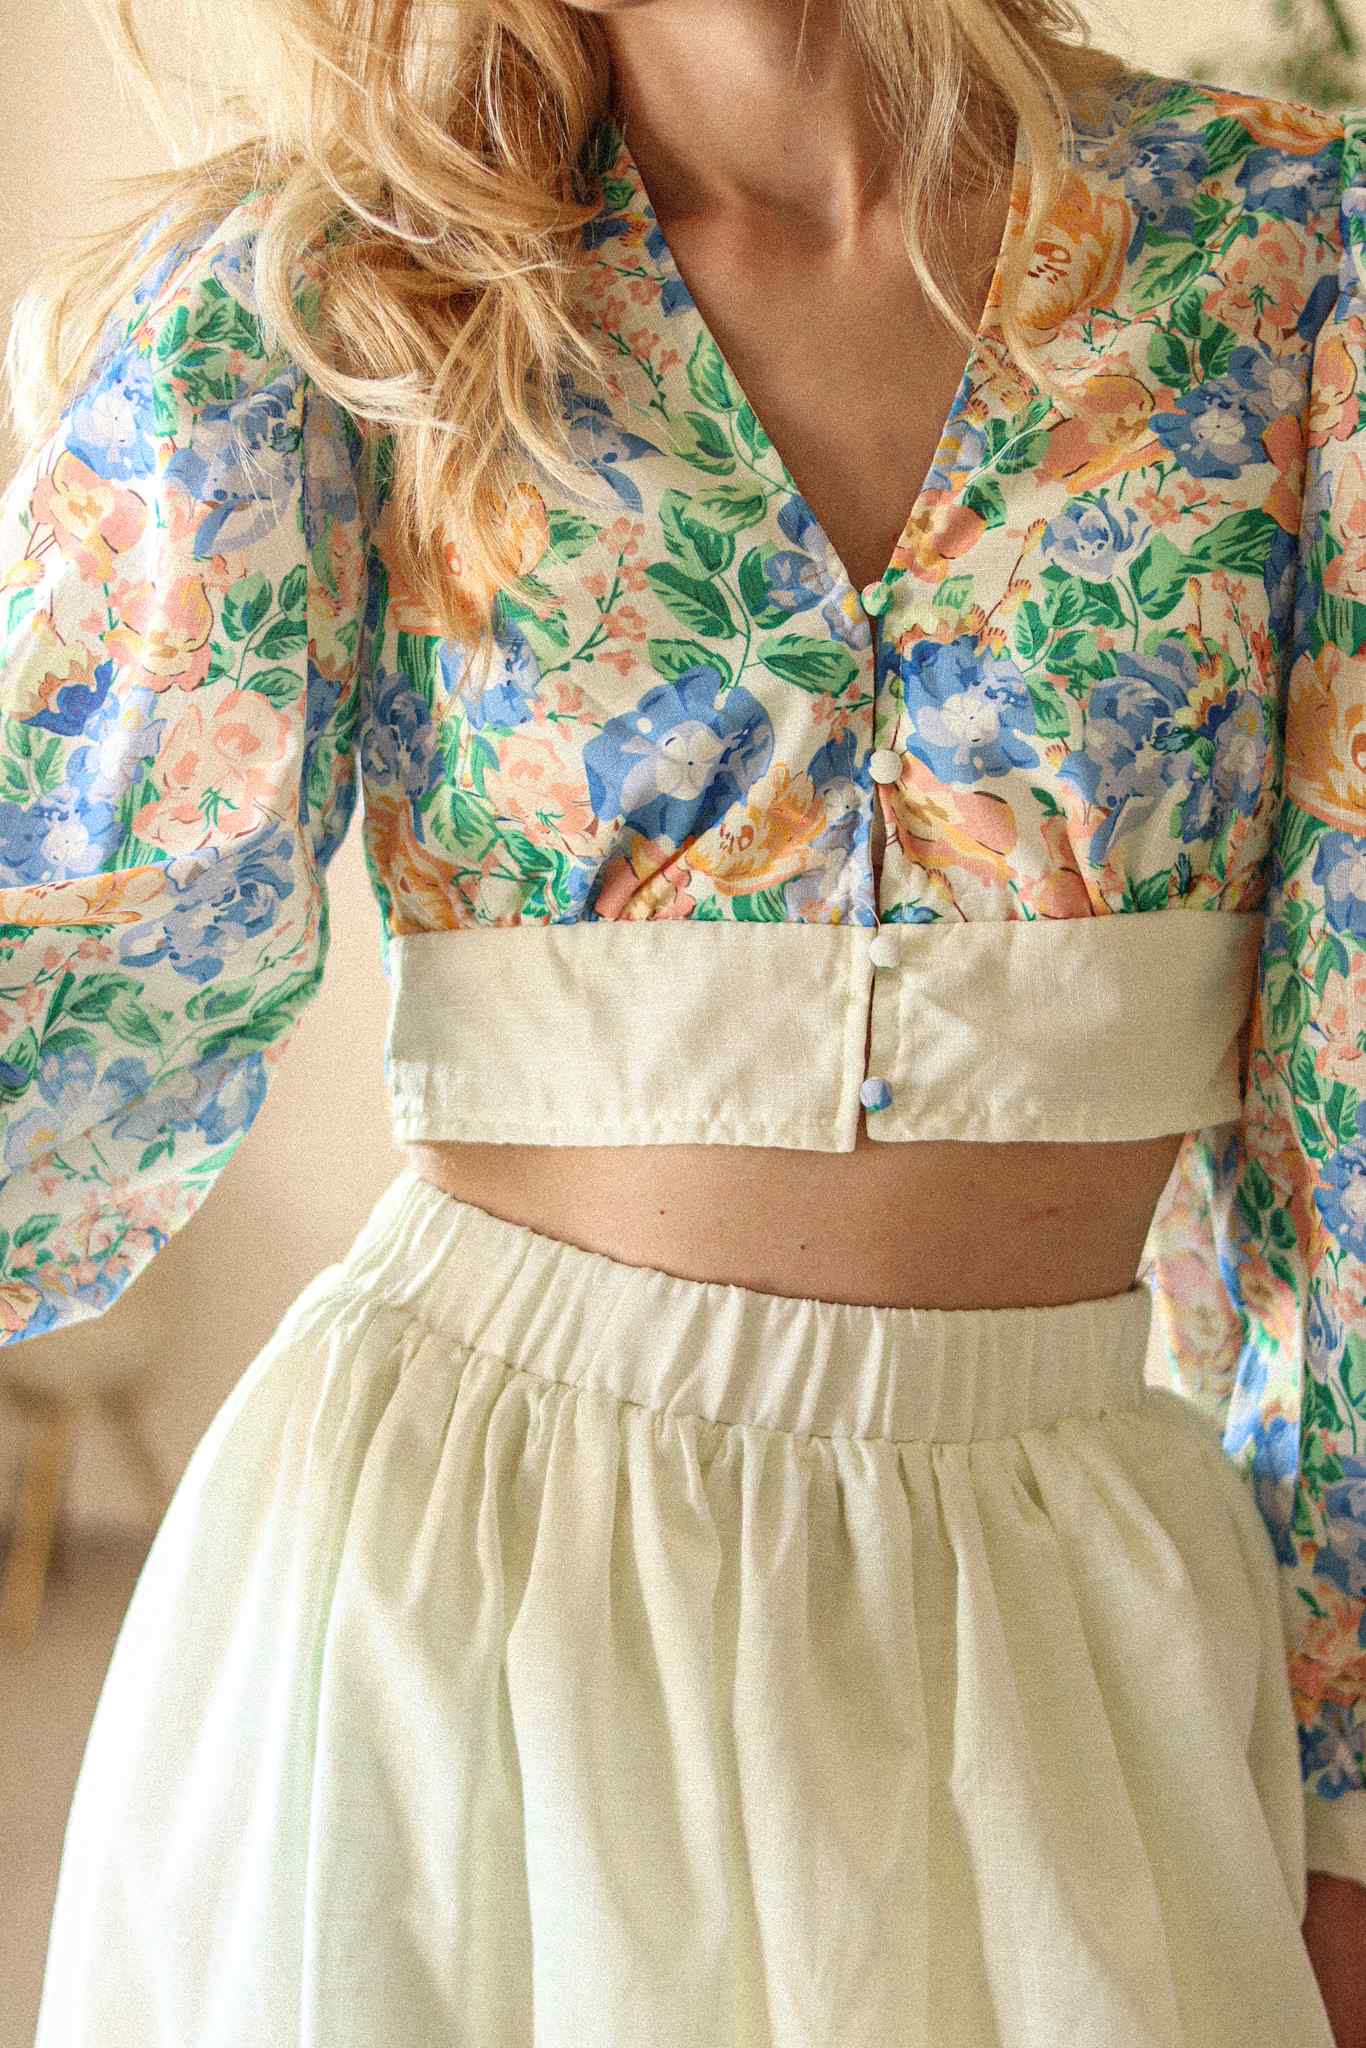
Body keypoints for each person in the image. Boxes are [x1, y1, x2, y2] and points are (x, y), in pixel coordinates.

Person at [2, 0, 1363, 2039]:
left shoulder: (1289, 256)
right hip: (465, 1609)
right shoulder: (331, 294)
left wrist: (1345, 1794)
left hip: (1070, 1621)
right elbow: (68, 969)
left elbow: (1346, 1110)